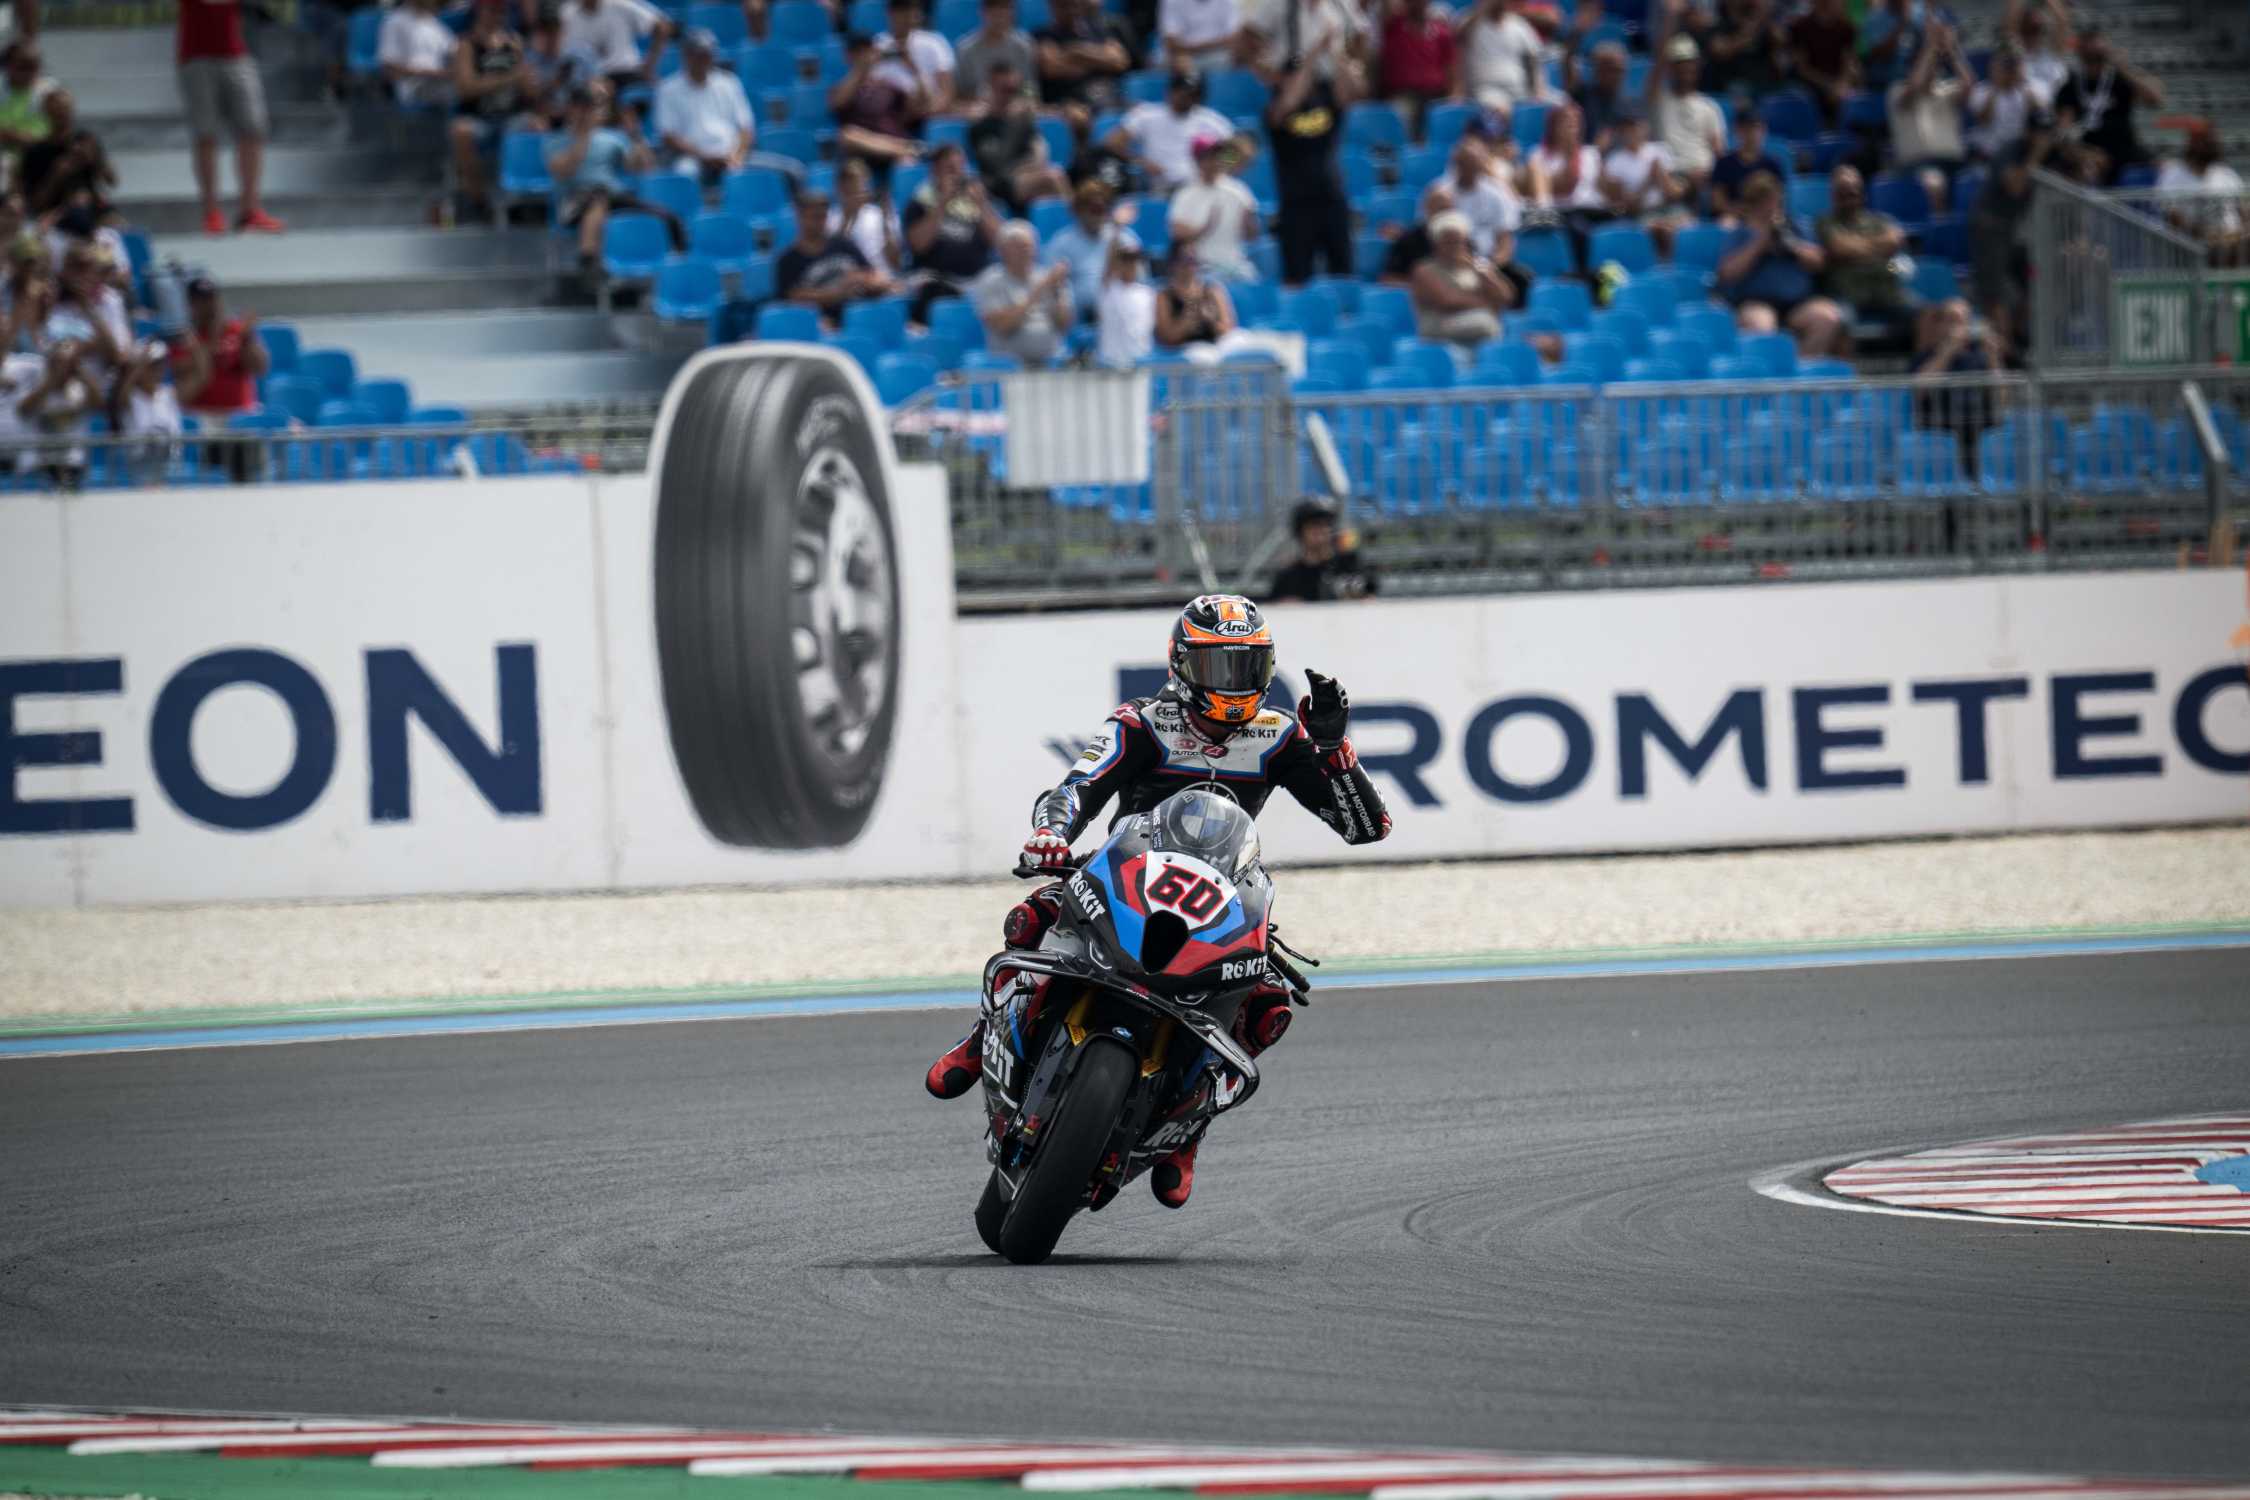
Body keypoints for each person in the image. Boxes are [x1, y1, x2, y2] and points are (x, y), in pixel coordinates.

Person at [922, 595, 1392, 1212]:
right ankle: (983, 1032)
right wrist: (1051, 834)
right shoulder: (1143, 722)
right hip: (1128, 873)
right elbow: (1077, 788)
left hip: (1220, 894)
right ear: (1182, 666)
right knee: (1038, 914)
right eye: (1220, 667)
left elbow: (1365, 828)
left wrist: (1333, 753)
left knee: (1267, 1004)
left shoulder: (1279, 735)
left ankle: (1186, 1130)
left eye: (1247, 667)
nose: (1234, 684)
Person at [547, 81, 680, 273]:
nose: (584, 112)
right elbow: (564, 170)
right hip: (572, 202)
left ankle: (680, 262)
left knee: (665, 216)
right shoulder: (555, 140)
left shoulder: (611, 138)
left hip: (613, 196)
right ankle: (588, 262)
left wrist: (635, 135)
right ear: (570, 109)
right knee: (597, 200)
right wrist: (584, 135)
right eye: (579, 106)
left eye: (588, 107)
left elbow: (642, 167)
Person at [177, 0, 282, 234]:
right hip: (196, 55)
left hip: (236, 53)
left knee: (253, 127)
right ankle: (211, 212)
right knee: (205, 133)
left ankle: (250, 211)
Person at [1265, 21, 1355, 283]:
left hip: (1331, 199)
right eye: (1293, 75)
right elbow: (1288, 102)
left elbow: (1350, 91)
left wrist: (1335, 52)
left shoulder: (1325, 101)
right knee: (1298, 278)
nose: (1301, 79)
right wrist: (1313, 54)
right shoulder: (1274, 109)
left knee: (1342, 273)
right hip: (1296, 205)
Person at [1716, 170, 1844, 355]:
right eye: (1762, 202)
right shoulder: (1739, 233)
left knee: (1827, 318)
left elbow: (1819, 262)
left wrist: (1791, 246)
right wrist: (1760, 244)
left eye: (1774, 200)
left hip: (1798, 303)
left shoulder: (1796, 227)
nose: (1770, 207)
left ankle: (1803, 368)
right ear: (1752, 204)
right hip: (1756, 302)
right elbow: (1727, 274)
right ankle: (1775, 371)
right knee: (1762, 326)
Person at [449, 0, 539, 218]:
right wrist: (507, 78)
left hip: (511, 115)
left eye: (501, 11)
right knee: (461, 132)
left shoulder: (514, 42)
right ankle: (479, 201)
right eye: (492, 10)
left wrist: (525, 76)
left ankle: (523, 200)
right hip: (479, 117)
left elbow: (529, 89)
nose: (497, 16)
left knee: (534, 126)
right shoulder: (467, 45)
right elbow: (466, 87)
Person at [2052, 25, 2164, 186]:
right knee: (2084, 170)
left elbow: (2155, 99)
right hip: (2090, 148)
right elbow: (2064, 130)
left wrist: (2124, 69)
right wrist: (2082, 152)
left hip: (2124, 146)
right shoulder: (2071, 85)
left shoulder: (2120, 79)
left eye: (2099, 54)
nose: (2095, 62)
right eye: (2089, 54)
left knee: (2161, 169)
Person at [1815, 164, 1910, 342]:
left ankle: (1924, 360)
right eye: (1842, 193)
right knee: (1840, 322)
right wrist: (1878, 248)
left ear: (1862, 193)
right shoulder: (1826, 222)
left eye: (1852, 193)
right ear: (1833, 195)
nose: (1848, 199)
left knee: (1926, 313)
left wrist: (1856, 247)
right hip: (1848, 292)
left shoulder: (1880, 220)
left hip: (1886, 289)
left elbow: (1895, 241)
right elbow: (1840, 248)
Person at [777, 186, 897, 320]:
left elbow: (871, 273)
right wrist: (838, 293)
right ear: (799, 217)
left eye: (823, 216)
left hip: (860, 315)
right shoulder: (788, 260)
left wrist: (862, 279)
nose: (819, 222)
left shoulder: (843, 245)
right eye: (814, 216)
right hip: (821, 322)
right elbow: (794, 297)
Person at [1108, 66, 1233, 193]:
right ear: (1170, 91)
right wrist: (1141, 162)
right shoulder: (1146, 114)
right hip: (1160, 186)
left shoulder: (1210, 120)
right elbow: (1114, 142)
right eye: (1181, 92)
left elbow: (1235, 149)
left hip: (1198, 186)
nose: (1186, 97)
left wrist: (1223, 169)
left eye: (1192, 94)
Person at [905, 142, 1000, 308]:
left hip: (976, 278)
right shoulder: (920, 202)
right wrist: (943, 203)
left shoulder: (976, 201)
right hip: (938, 279)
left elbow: (999, 241)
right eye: (950, 169)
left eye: (960, 168)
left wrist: (981, 205)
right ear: (935, 171)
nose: (957, 174)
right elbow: (919, 245)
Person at [653, 28, 755, 182]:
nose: (703, 59)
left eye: (707, 54)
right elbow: (668, 136)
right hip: (692, 158)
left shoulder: (729, 82)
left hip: (731, 156)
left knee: (787, 171)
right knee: (684, 173)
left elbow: (746, 128)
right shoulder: (668, 89)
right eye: (697, 54)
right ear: (686, 55)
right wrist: (704, 157)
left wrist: (737, 156)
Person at [1888, 17, 1969, 210]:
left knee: (1978, 179)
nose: (1933, 66)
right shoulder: (1897, 92)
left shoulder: (1946, 90)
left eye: (1936, 62)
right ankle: (1939, 227)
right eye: (1927, 62)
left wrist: (1951, 51)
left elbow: (1969, 86)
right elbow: (1915, 86)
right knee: (1934, 182)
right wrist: (1931, 47)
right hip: (1917, 166)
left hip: (1955, 162)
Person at [970, 62, 1069, 210]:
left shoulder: (1023, 120)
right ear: (991, 88)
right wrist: (1013, 127)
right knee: (1054, 178)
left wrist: (1030, 167)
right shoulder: (981, 127)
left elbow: (1039, 151)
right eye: (1005, 89)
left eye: (1014, 90)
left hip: (1027, 177)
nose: (1011, 95)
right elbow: (997, 167)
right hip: (1000, 185)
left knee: (1050, 191)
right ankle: (1075, 220)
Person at [970, 220, 1073, 361]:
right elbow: (1003, 326)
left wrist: (1057, 293)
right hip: (1008, 364)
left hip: (1053, 359)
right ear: (1002, 251)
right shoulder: (990, 281)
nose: (1026, 252)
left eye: (1029, 246)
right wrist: (1039, 290)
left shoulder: (1049, 278)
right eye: (1018, 247)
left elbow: (1064, 325)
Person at [1645, 13, 1723, 197]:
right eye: (1679, 64)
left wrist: (1712, 175)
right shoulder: (1659, 101)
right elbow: (1656, 70)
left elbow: (1718, 151)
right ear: (1671, 68)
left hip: (1704, 178)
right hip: (1671, 177)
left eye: (1690, 63)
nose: (1686, 69)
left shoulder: (1709, 106)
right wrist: (1670, 18)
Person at [1411, 207, 1511, 346]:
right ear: (1436, 244)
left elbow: (1504, 297)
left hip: (1476, 321)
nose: (1455, 247)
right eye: (1448, 242)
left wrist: (1483, 273)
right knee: (1486, 323)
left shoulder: (1475, 265)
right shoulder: (1424, 270)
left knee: (1493, 324)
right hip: (1440, 325)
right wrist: (1487, 305)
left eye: (1459, 242)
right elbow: (1448, 301)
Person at [832, 31, 926, 176]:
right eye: (858, 52)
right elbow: (837, 102)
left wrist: (914, 70)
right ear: (849, 56)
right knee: (848, 136)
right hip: (864, 152)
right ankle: (904, 148)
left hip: (893, 142)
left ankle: (901, 150)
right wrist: (860, 69)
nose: (864, 56)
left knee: (907, 163)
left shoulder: (887, 85)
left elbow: (919, 107)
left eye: (867, 51)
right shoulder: (842, 87)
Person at [1167, 135, 1257, 280]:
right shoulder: (1185, 194)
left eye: (1217, 156)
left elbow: (1252, 236)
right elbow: (1177, 232)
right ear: (1197, 161)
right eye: (1208, 157)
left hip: (1236, 265)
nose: (1214, 161)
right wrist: (1206, 227)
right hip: (1202, 269)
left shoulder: (1239, 191)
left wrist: (1249, 222)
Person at [1034, 0, 1134, 129]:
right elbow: (1052, 67)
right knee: (1080, 118)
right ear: (1052, 6)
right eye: (1063, 5)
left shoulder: (1097, 30)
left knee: (1143, 112)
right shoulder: (1043, 35)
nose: (1071, 10)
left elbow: (1120, 61)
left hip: (1110, 95)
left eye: (1074, 4)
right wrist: (1101, 59)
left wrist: (1076, 54)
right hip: (1071, 101)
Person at [2156, 126, 2246, 265]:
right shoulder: (2173, 174)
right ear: (2192, 144)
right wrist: (2203, 235)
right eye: (2206, 141)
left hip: (2232, 239)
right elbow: (2172, 216)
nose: (2212, 145)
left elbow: (2244, 210)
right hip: (2190, 242)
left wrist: (2239, 233)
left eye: (2213, 141)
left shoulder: (2226, 173)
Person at [19, 90, 112, 217]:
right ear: (46, 113)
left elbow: (112, 181)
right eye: (57, 110)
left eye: (66, 109)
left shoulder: (86, 141)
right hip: (54, 218)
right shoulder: (36, 151)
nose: (62, 114)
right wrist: (56, 176)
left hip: (91, 212)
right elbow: (35, 205)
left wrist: (96, 159)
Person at [1268, 498, 1375, 601]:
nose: (1322, 531)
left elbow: (1371, 598)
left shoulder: (1350, 565)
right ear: (1300, 531)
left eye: (1327, 525)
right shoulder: (1288, 576)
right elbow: (1273, 606)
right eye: (1314, 525)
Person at [1456, 0, 1548, 117]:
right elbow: (1458, 34)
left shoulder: (1519, 24)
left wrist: (1539, 91)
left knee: (1559, 106)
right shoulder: (1472, 23)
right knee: (1501, 110)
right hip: (1487, 91)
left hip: (1519, 90)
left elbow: (1535, 60)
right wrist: (1483, 9)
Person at [1433, 135, 1520, 258]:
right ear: (1456, 164)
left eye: (1473, 163)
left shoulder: (1496, 194)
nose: (1469, 168)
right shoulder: (1439, 194)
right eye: (1464, 163)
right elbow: (1429, 235)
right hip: (1449, 262)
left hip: (1489, 261)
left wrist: (1493, 264)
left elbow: (1505, 239)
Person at [558, 0, 670, 88]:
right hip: (586, 79)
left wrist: (649, 67)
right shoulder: (567, 14)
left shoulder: (620, 5)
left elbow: (662, 27)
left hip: (624, 73)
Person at [1967, 44, 2046, 164]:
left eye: (2012, 64)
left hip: (2017, 154)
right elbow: (1984, 121)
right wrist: (1997, 85)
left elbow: (2041, 115)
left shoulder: (2029, 90)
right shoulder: (1982, 91)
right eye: (2005, 64)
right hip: (1988, 154)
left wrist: (2021, 80)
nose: (2009, 69)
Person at [874, 0, 956, 115]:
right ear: (889, 12)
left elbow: (946, 93)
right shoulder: (878, 45)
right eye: (900, 10)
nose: (905, 15)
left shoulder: (934, 42)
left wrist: (927, 112)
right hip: (887, 113)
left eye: (910, 9)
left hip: (925, 112)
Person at [1378, 0, 1454, 119]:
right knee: (1399, 114)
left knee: (1450, 115)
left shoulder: (1442, 33)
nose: (1418, 3)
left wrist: (1453, 99)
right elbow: (1386, 6)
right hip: (1403, 95)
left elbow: (1452, 73)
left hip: (1436, 95)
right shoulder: (1393, 27)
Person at [1709, 102, 1784, 223]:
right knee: (1726, 223)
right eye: (1746, 128)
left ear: (1763, 130)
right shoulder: (1724, 163)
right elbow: (1718, 202)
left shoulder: (1773, 164)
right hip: (1734, 216)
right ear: (1737, 131)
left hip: (1765, 216)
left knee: (1778, 221)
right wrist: (1738, 210)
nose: (1751, 133)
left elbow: (1779, 201)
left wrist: (1764, 213)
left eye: (1755, 128)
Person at [1784, 0, 1856, 124]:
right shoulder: (1800, 27)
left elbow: (1849, 61)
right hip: (1809, 82)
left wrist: (1843, 83)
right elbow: (1803, 69)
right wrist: (1828, 85)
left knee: (1851, 96)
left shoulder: (1846, 27)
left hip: (1836, 82)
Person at [955, 0, 1036, 107]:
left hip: (1015, 109)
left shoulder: (1023, 47)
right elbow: (958, 95)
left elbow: (1029, 88)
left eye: (1005, 8)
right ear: (982, 12)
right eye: (993, 8)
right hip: (978, 110)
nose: (999, 14)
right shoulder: (965, 49)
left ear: (1013, 12)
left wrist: (1024, 101)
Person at [830, 158, 904, 271]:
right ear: (840, 189)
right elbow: (833, 259)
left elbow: (896, 263)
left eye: (861, 185)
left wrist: (885, 222)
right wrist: (848, 218)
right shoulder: (830, 219)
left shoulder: (879, 215)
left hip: (883, 276)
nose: (858, 191)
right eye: (850, 189)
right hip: (850, 278)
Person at [380, 0, 458, 106]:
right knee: (458, 90)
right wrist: (426, 73)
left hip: (440, 81)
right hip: (413, 86)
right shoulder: (395, 22)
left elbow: (455, 53)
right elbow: (389, 68)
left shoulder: (434, 23)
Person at [1153, 246, 1235, 347]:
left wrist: (1210, 320)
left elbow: (1228, 330)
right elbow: (1166, 338)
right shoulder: (1164, 297)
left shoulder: (1212, 291)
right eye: (1185, 260)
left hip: (1215, 346)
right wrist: (1187, 321)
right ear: (1173, 263)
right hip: (1185, 350)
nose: (1190, 265)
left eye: (1193, 260)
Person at [1096, 232, 1156, 363]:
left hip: (1141, 363)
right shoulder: (1108, 289)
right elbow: (1108, 263)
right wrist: (1117, 230)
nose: (1130, 264)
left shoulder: (1148, 293)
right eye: (1125, 259)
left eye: (1134, 260)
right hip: (1111, 364)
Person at [1569, 41, 1631, 149]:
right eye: (1614, 70)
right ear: (1599, 70)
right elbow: (1567, 67)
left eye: (1622, 70)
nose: (1620, 75)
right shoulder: (1582, 96)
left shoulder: (1628, 102)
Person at [1857, 0, 1923, 93]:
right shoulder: (1874, 18)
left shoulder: (1915, 19)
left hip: (1905, 85)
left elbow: (1917, 52)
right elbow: (1881, 53)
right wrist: (1902, 24)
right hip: (1879, 86)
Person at [1159, 0, 1239, 72]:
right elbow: (1171, 43)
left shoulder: (1229, 2)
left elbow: (1233, 38)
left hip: (1219, 56)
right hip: (1182, 57)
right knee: (1178, 63)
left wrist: (1191, 47)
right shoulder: (1172, 1)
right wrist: (1213, 44)